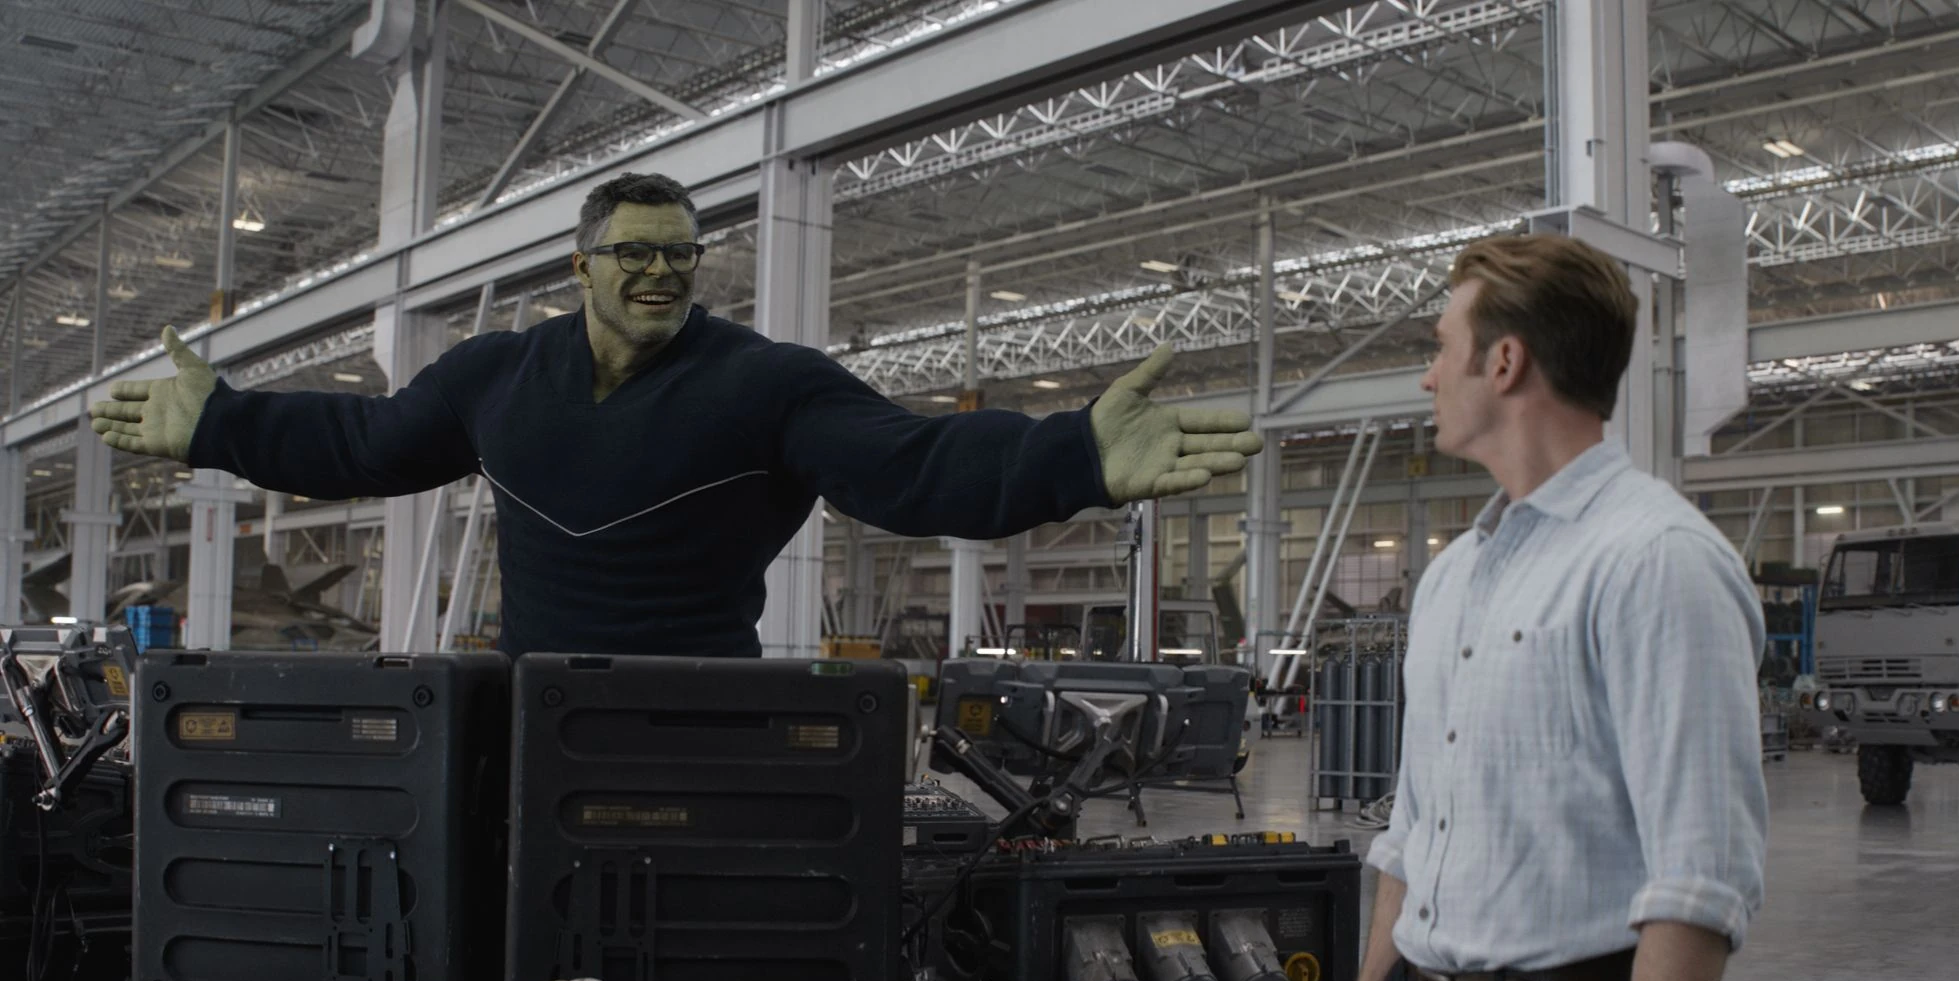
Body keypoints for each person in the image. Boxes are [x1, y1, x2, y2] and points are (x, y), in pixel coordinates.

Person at [88, 172, 1263, 658]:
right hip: (535, 722)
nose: (661, 273)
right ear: (581, 266)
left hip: (705, 726)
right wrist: (219, 424)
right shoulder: (495, 377)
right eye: (635, 254)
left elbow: (907, 467)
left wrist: (1071, 453)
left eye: (681, 255)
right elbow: (367, 444)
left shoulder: (765, 383)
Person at [1338, 234, 1768, 981]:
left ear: (1504, 363)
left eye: (1442, 348)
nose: (1428, 377)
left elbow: (1701, 876)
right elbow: (1415, 827)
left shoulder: (1657, 561)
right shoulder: (1453, 578)